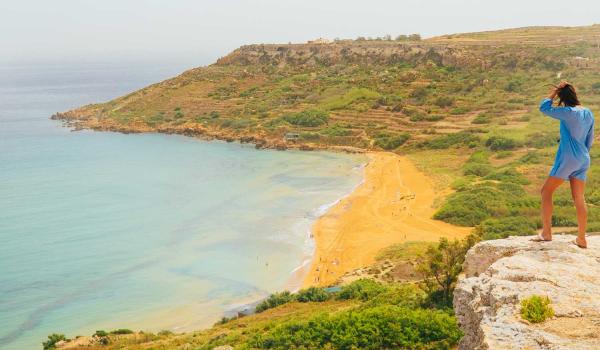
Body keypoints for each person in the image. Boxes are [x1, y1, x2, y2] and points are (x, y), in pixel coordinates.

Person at [537, 81, 594, 248]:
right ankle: (581, 238)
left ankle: (547, 233)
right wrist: (581, 154)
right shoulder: (588, 113)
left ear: (562, 98)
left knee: (546, 191)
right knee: (579, 197)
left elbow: (544, 108)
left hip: (568, 158)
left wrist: (553, 93)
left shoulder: (568, 112)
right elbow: (589, 139)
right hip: (584, 158)